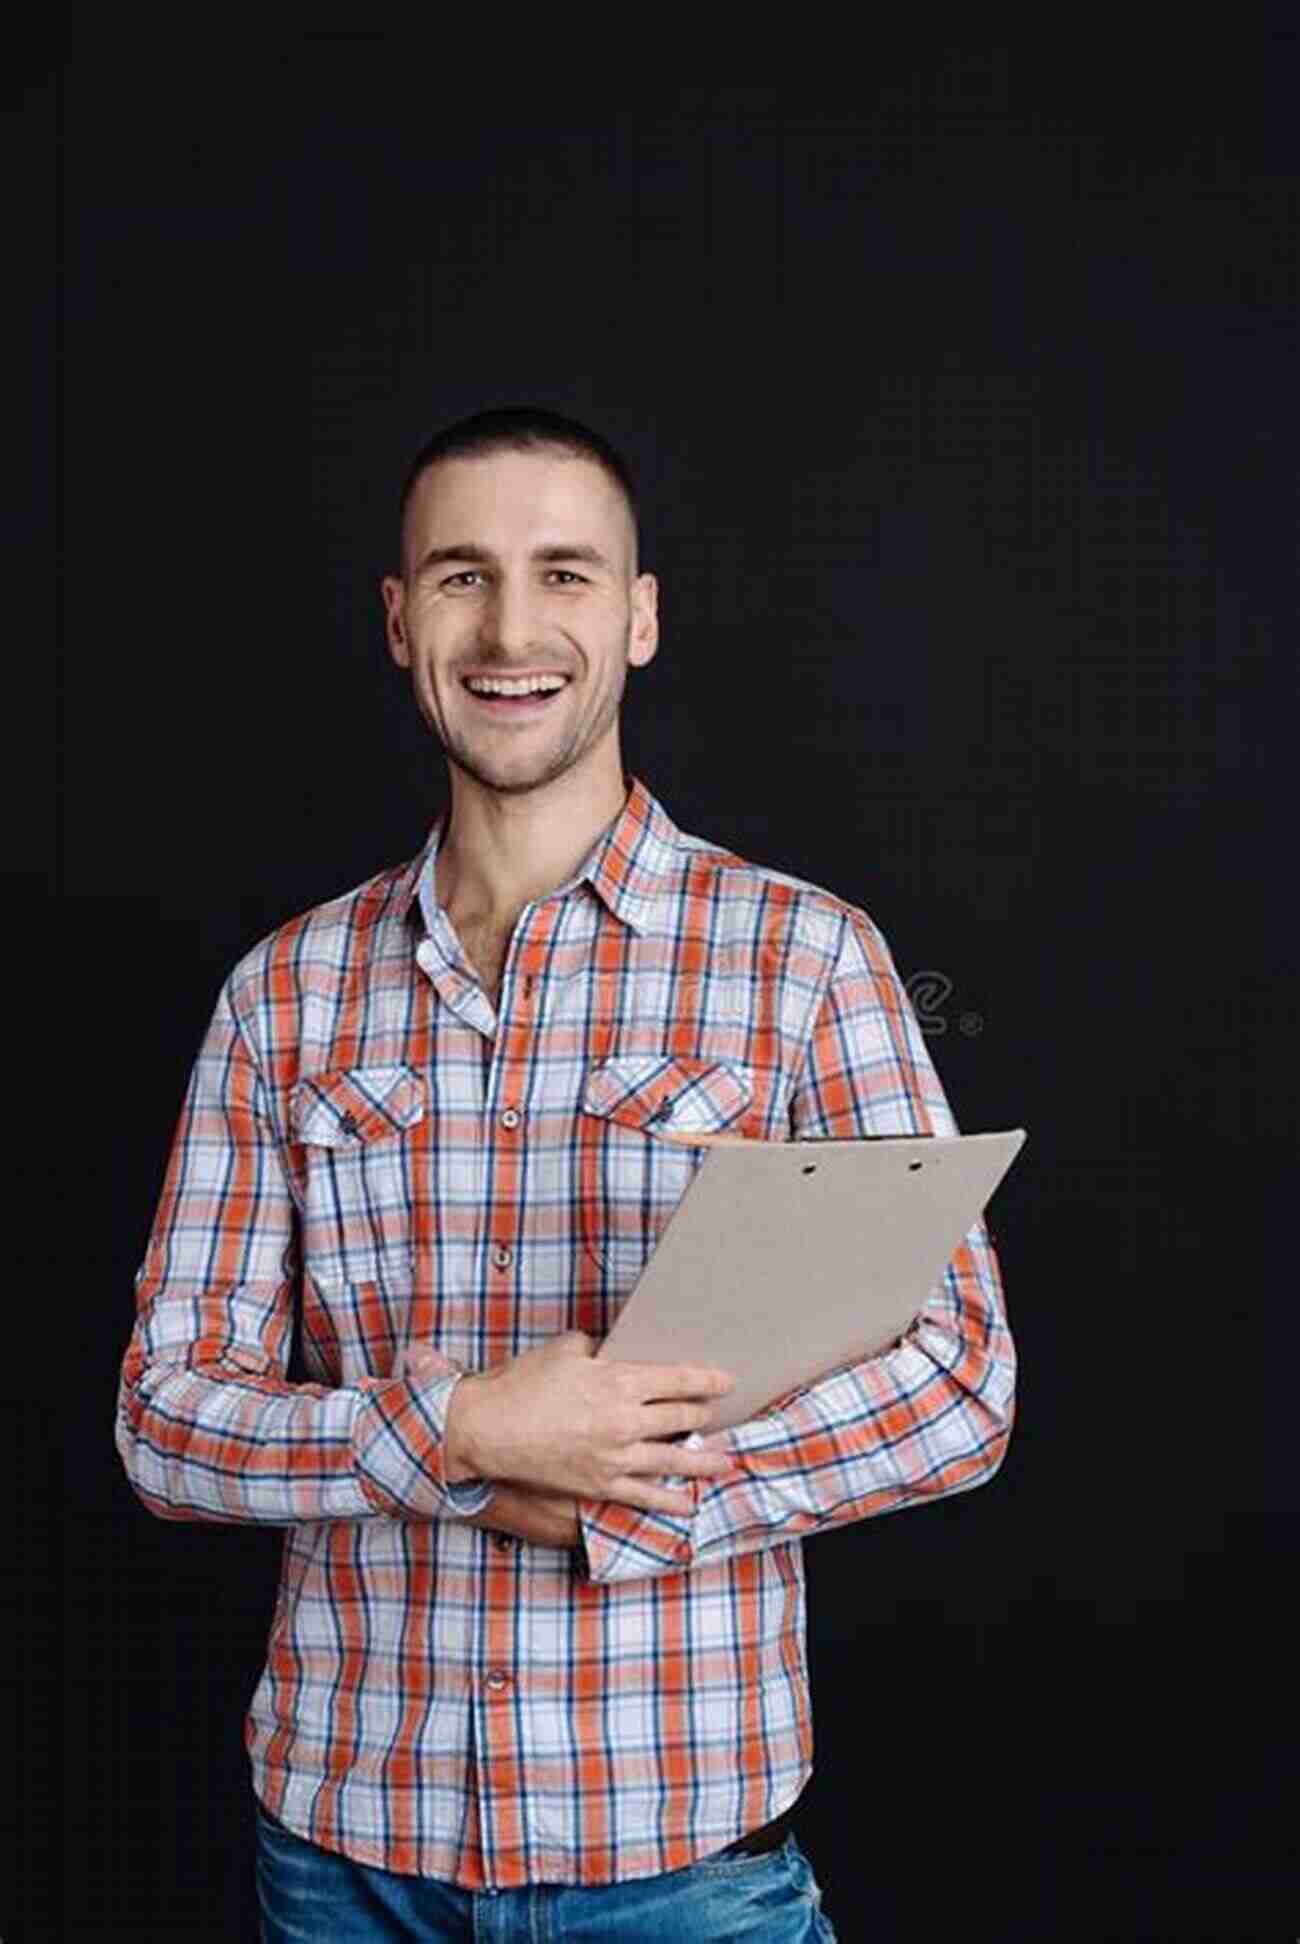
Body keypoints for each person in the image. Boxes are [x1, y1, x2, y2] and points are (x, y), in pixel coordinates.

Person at [115, 405, 1016, 1942]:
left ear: (642, 615)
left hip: (681, 1866)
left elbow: (959, 1381)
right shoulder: (283, 996)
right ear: (400, 625)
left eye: (566, 574)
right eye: (461, 577)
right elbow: (163, 1417)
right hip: (343, 1854)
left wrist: (628, 1492)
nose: (512, 628)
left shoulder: (800, 959)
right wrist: (455, 1429)